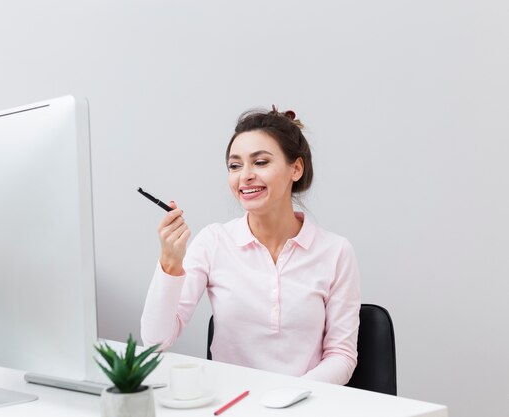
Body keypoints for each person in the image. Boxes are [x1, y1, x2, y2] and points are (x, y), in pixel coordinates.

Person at [141, 106, 360, 385]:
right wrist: (170, 263)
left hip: (304, 404)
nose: (244, 176)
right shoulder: (214, 242)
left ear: (296, 168)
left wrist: (288, 396)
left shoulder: (336, 252)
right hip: (230, 403)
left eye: (260, 162)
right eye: (235, 165)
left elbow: (341, 356)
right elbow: (155, 341)